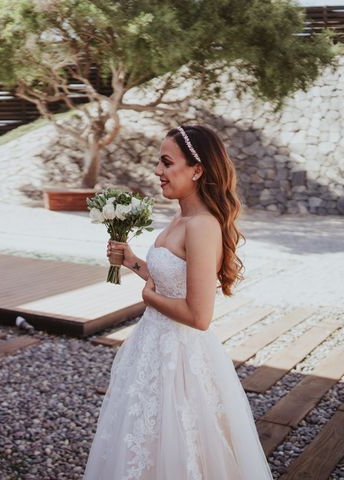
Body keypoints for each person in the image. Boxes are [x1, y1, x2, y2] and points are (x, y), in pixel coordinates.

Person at [84, 125, 273, 479]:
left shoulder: (201, 225)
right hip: (152, 349)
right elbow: (172, 282)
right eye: (159, 162)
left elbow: (199, 315)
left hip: (181, 361)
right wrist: (134, 262)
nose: (158, 171)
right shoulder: (180, 216)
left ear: (197, 170)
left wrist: (148, 297)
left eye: (167, 162)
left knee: (181, 445)